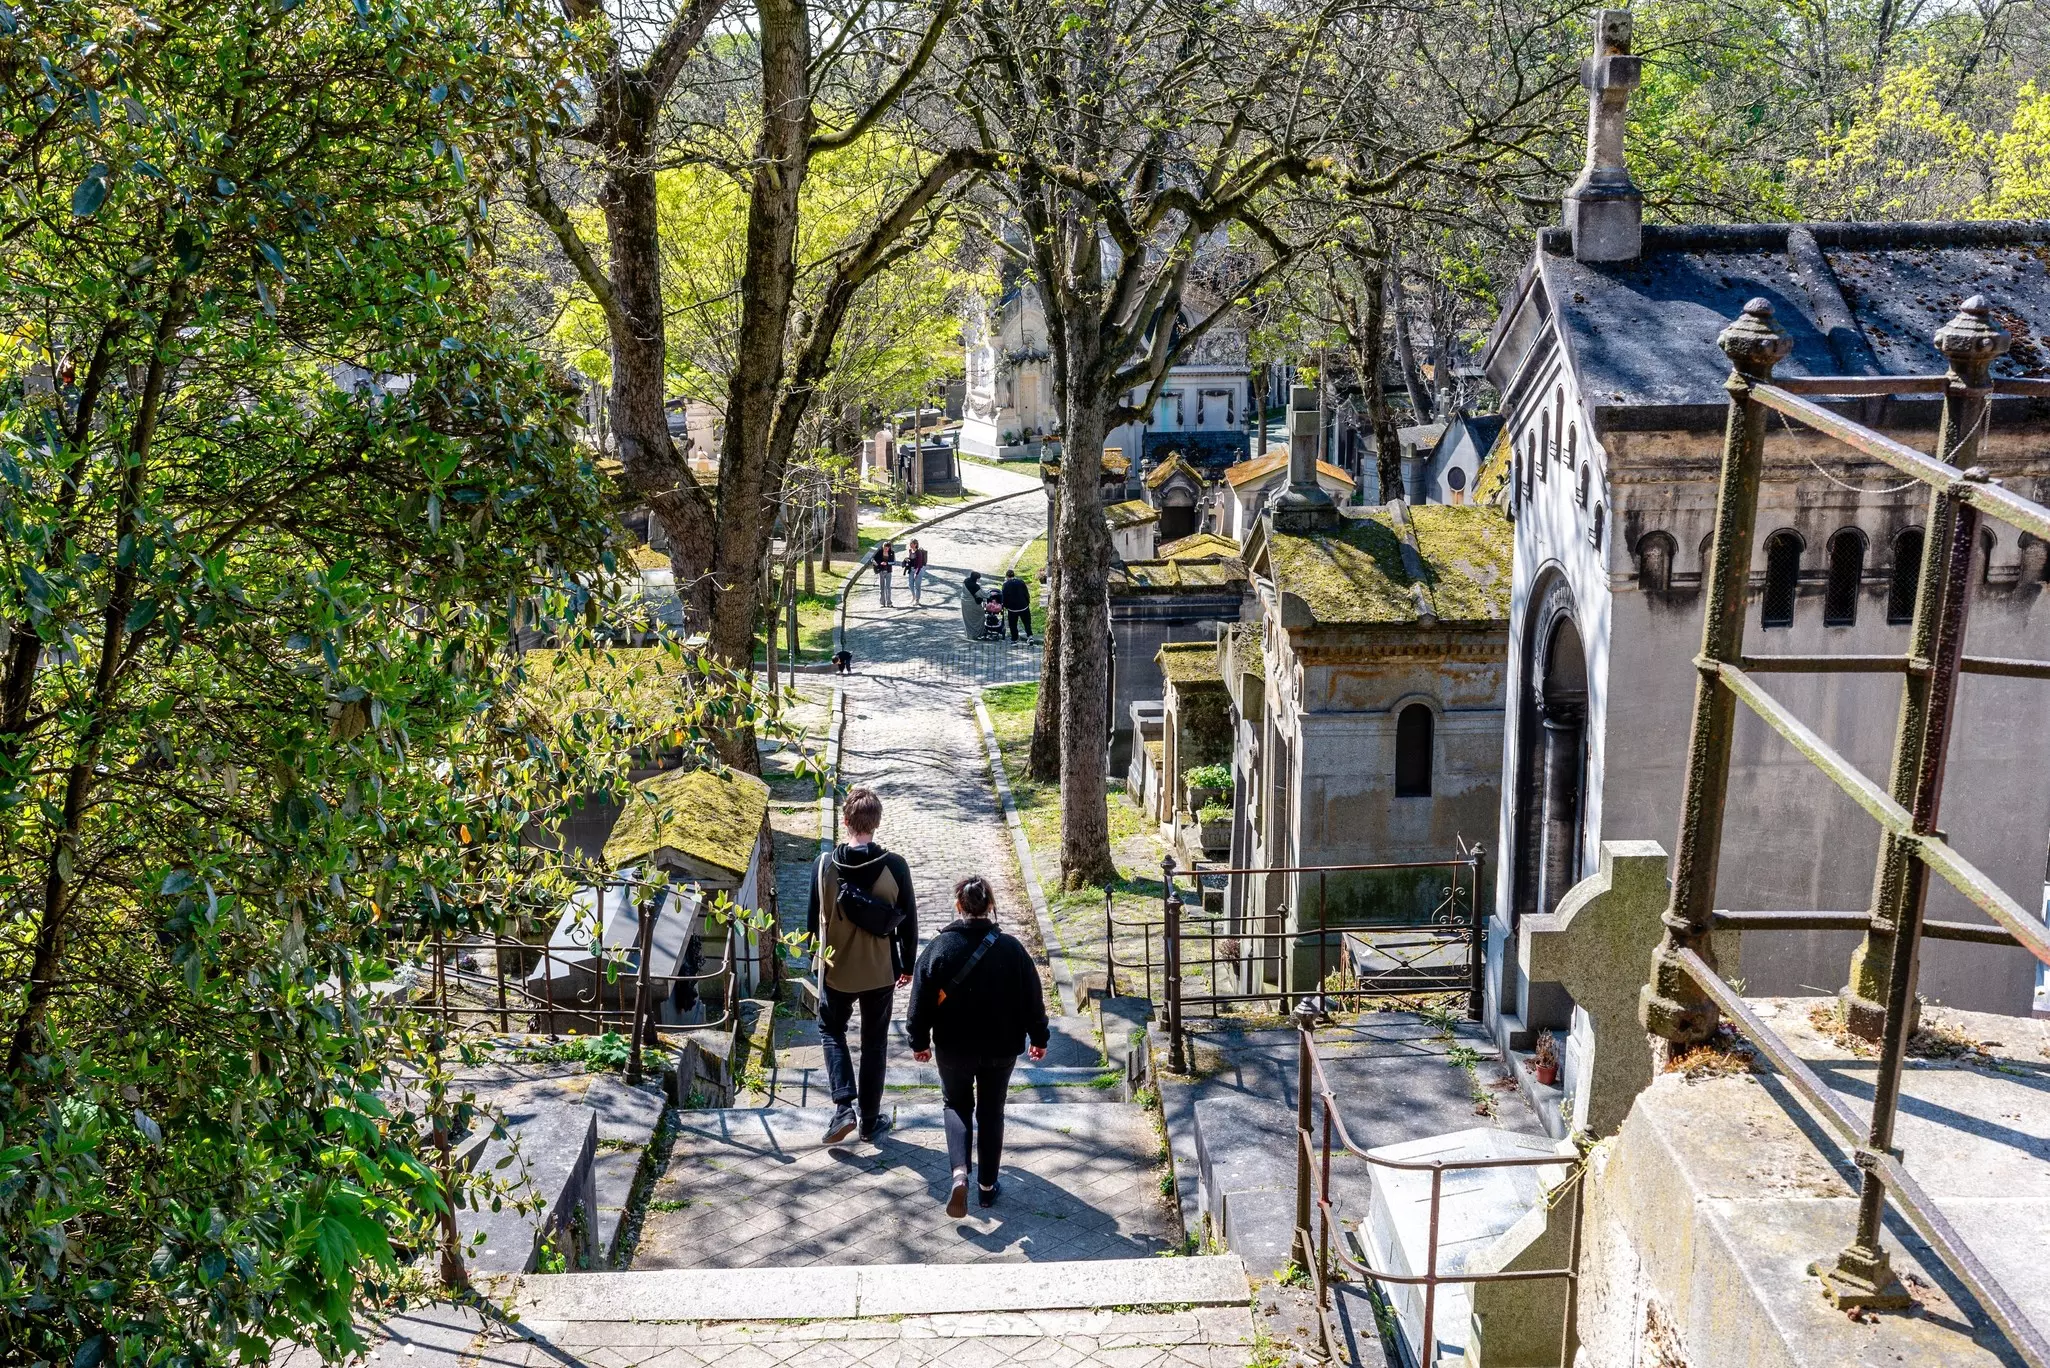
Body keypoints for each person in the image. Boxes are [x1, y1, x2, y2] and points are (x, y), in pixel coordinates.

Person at [907, 875, 1049, 1217]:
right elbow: (1032, 998)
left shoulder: (938, 949)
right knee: (991, 1111)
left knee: (955, 1104)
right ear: (991, 907)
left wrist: (919, 1041)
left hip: (954, 1047)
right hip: (1001, 1047)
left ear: (959, 906)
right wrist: (1039, 1037)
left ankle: (959, 1175)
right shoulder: (1012, 949)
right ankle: (987, 1187)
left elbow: (919, 1000)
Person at [807, 787, 918, 1143]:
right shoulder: (895, 866)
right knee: (874, 1042)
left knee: (831, 1030)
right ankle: (870, 1120)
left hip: (836, 969)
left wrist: (815, 963)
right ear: (877, 823)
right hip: (880, 971)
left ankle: (843, 1107)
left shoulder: (824, 865)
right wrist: (908, 966)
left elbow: (812, 924)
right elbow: (909, 923)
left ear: (845, 821)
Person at [1000, 569, 1032, 642]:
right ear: (1014, 575)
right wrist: (1027, 602)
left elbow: (1004, 596)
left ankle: (1014, 639)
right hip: (1023, 606)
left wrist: (1005, 605)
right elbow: (1026, 593)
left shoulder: (1006, 584)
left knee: (1013, 624)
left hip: (1012, 608)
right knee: (1027, 622)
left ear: (1007, 576)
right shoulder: (1021, 582)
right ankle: (1030, 636)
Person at [906, 539, 929, 606]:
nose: (910, 545)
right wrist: (906, 560)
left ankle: (917, 600)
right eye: (910, 544)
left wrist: (917, 573)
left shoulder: (918, 552)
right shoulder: (910, 551)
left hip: (918, 570)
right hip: (911, 570)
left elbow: (919, 564)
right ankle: (913, 596)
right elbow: (911, 560)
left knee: (917, 586)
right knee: (910, 585)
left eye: (911, 544)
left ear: (915, 544)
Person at [874, 541, 896, 607]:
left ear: (889, 548)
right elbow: (874, 560)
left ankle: (889, 602)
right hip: (881, 571)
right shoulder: (880, 552)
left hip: (888, 571)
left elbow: (894, 562)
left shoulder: (892, 553)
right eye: (884, 548)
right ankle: (882, 603)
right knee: (882, 587)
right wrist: (880, 563)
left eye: (887, 548)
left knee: (888, 587)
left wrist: (887, 563)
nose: (886, 549)